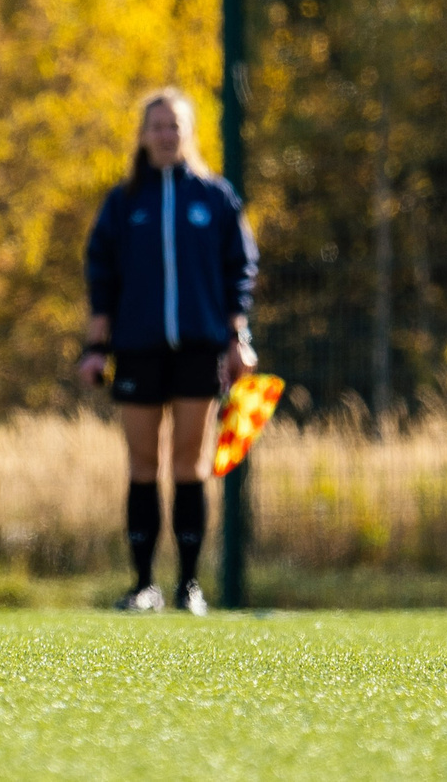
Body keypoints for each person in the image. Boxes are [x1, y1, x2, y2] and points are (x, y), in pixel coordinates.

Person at [78, 87, 256, 615]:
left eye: (174, 126)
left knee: (189, 462)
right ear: (143, 134)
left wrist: (237, 340)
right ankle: (142, 585)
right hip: (137, 348)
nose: (165, 135)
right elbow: (101, 275)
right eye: (156, 126)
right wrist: (96, 347)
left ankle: (189, 586)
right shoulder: (124, 201)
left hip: (199, 347)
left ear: (187, 133)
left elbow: (238, 272)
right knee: (141, 461)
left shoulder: (214, 197)